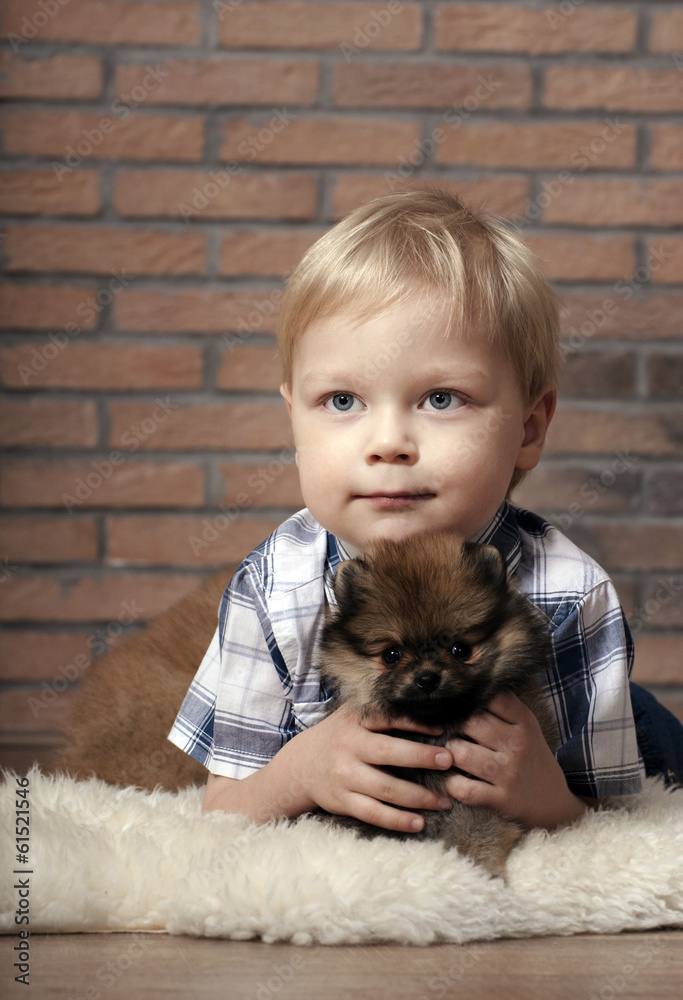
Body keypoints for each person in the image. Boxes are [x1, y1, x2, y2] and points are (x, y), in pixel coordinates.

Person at [168, 188, 682, 833]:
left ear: (528, 428)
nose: (388, 444)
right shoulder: (273, 589)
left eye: (441, 399)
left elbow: (609, 822)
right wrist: (301, 770)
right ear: (292, 420)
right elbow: (226, 808)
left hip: (618, 725)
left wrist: (544, 798)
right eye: (342, 400)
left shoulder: (571, 594)